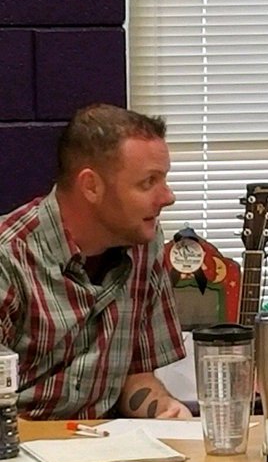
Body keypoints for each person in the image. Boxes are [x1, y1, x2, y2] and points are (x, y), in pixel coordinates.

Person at [0, 103, 191, 420]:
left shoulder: (145, 245)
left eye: (165, 179)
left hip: (107, 452)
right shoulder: (9, 256)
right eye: (149, 182)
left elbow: (136, 376)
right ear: (91, 186)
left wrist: (164, 410)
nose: (168, 196)